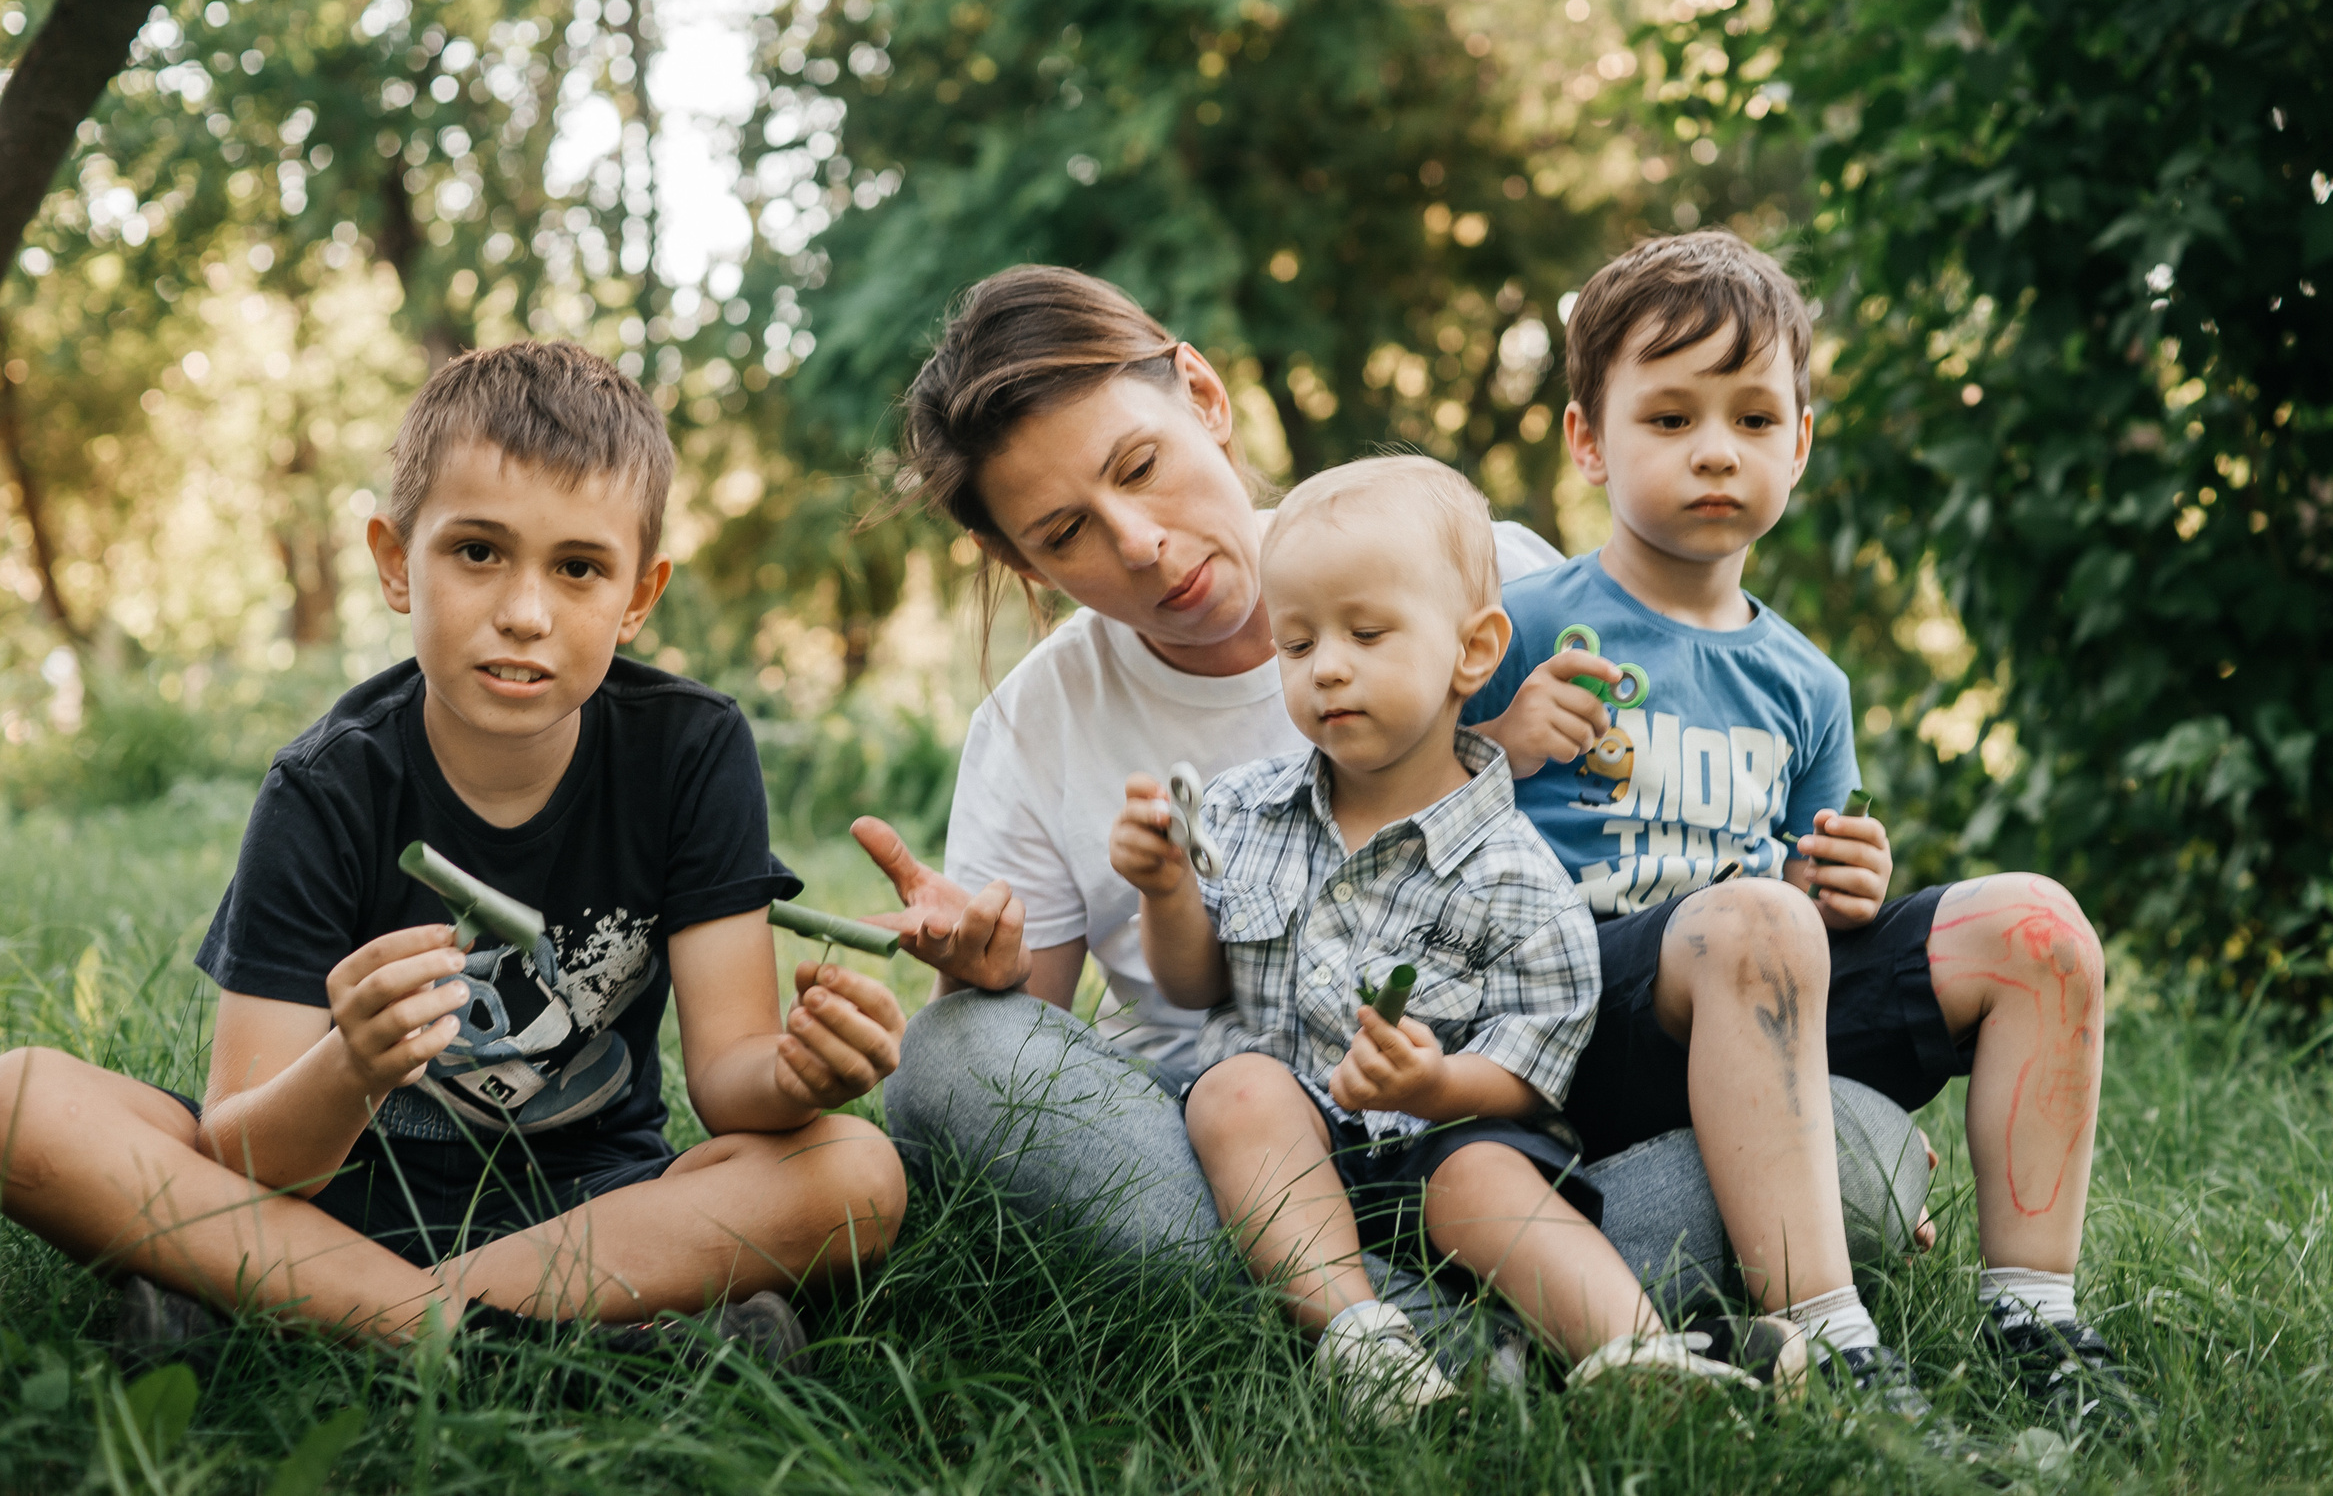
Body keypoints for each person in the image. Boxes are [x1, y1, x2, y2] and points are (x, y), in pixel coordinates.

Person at [853, 265, 1932, 1338]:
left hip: (1523, 1150)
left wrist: (1786, 1060)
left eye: (1140, 467)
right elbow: (1030, 1072)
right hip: (1239, 1172)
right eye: (1063, 533)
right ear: (1016, 559)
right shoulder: (1034, 723)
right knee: (952, 1057)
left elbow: (1633, 900)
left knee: (1861, 1147)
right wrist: (981, 976)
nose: (1137, 541)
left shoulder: (1486, 570)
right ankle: (1478, 1323)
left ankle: (1376, 1332)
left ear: (1204, 396)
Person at [0, 341, 908, 1359]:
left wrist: (801, 1074)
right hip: (330, 1204)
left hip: (589, 1210)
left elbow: (729, 1082)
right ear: (396, 560)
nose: (525, 613)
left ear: (638, 596)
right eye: (478, 552)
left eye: (578, 568)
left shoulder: (694, 750)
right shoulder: (325, 786)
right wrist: (352, 1065)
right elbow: (249, 1152)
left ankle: (301, 1315)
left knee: (857, 1172)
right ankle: (526, 1343)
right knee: (12, 1108)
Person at [1463, 229, 2142, 1425]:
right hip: (1569, 1023)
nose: (1716, 451)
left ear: (1801, 443)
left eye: (1754, 420)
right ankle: (1824, 1345)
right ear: (1586, 442)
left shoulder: (1805, 682)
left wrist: (1850, 881)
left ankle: (2037, 1319)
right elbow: (1381, 825)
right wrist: (1496, 748)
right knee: (1753, 920)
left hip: (1750, 1009)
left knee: (2036, 925)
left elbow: (1797, 901)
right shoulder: (1514, 628)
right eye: (1668, 420)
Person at [1112, 455, 1750, 1418]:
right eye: (1295, 644)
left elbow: (1534, 1063)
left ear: (1473, 650)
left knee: (1486, 1172)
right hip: (1288, 1154)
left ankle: (1638, 1359)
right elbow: (1199, 985)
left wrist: (1433, 1085)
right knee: (1236, 1087)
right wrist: (1166, 889)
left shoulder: (1519, 872)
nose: (1326, 665)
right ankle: (1362, 1340)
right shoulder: (1244, 811)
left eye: (1366, 633)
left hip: (1442, 1145)